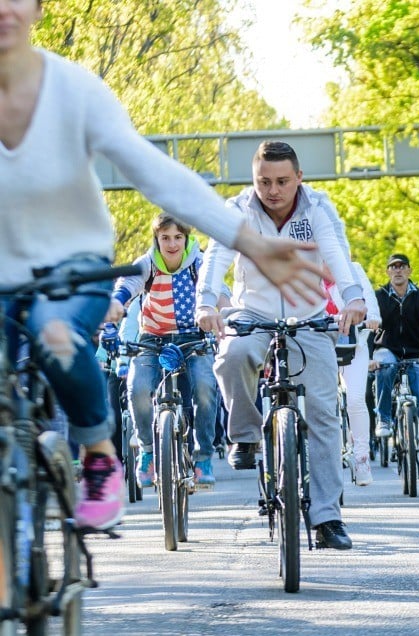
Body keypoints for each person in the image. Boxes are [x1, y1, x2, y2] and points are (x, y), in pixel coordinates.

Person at [0, 0, 326, 530]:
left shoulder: (73, 92)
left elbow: (158, 176)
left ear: (37, 9)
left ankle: (100, 457)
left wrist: (250, 239)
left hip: (69, 264)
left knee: (55, 332)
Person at [196, 141, 365, 550]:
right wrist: (205, 302)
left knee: (325, 412)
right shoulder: (237, 210)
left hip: (309, 319)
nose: (273, 190)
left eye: (283, 181)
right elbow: (217, 255)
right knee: (232, 356)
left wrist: (354, 296)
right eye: (264, 181)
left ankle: (327, 518)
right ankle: (245, 434)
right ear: (254, 180)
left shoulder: (317, 208)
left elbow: (336, 253)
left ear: (299, 178)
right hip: (252, 313)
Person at [105, 214, 223, 488]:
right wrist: (116, 304)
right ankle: (147, 451)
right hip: (152, 338)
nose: (172, 244)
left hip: (193, 337)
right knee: (137, 389)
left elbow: (218, 291)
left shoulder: (200, 263)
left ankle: (203, 456)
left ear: (187, 238)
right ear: (157, 240)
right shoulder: (147, 264)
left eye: (177, 237)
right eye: (165, 238)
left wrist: (225, 311)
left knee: (206, 388)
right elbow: (127, 286)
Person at [372, 253, 419, 480]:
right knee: (384, 365)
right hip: (388, 351)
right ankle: (384, 418)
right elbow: (370, 326)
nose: (397, 270)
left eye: (402, 266)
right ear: (387, 272)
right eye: (393, 267)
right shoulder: (380, 296)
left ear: (409, 271)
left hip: (416, 355)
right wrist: (367, 357)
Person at [323, 262, 381, 486]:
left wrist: (373, 316)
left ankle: (361, 457)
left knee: (356, 400)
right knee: (321, 403)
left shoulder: (353, 269)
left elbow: (368, 298)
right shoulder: (305, 267)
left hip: (353, 344)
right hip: (318, 344)